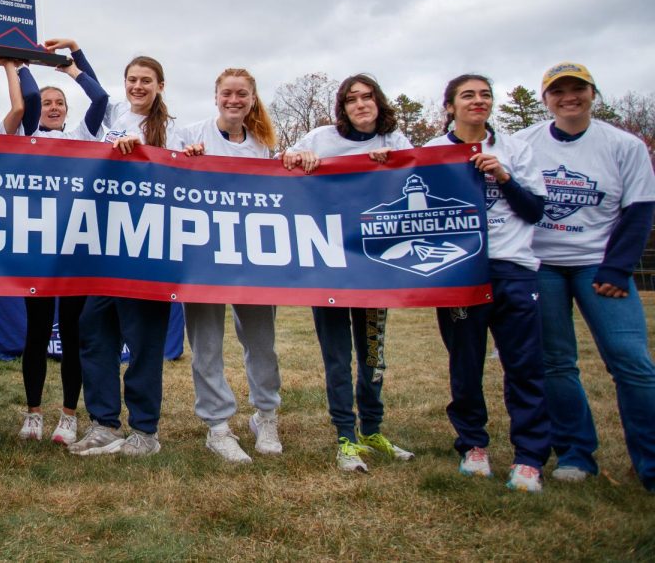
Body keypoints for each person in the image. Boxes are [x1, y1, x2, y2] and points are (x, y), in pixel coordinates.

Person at [515, 62, 655, 492]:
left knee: (631, 362)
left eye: (578, 89)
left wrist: (618, 267)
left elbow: (640, 208)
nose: (568, 97)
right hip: (541, 265)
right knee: (556, 363)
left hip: (600, 263)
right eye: (558, 91)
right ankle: (575, 453)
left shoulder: (623, 145)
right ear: (546, 99)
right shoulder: (525, 143)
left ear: (594, 94)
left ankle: (649, 463)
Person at [61, 51, 196, 458]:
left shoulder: (174, 130)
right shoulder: (112, 113)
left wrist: (157, 154)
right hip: (106, 245)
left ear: (160, 86)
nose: (138, 87)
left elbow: (185, 175)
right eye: (132, 80)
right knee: (94, 332)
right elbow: (95, 95)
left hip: (148, 251)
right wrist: (76, 56)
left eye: (146, 81)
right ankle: (104, 423)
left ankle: (144, 431)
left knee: (144, 342)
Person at [423, 74, 551, 492]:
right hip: (459, 271)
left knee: (524, 365)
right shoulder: (431, 153)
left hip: (513, 267)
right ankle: (473, 446)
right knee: (465, 363)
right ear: (450, 107)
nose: (478, 101)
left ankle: (529, 457)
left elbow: (534, 211)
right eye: (467, 95)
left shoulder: (516, 149)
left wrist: (504, 177)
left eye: (485, 95)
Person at [282, 73, 415, 472]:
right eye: (352, 99)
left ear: (378, 102)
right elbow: (280, 165)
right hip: (329, 265)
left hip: (375, 267)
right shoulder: (322, 137)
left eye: (368, 97)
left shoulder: (396, 141)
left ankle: (373, 428)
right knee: (338, 356)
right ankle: (345, 436)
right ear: (343, 107)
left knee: (373, 353)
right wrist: (295, 159)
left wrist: (394, 167)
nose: (361, 105)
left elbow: (419, 178)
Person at [179, 68, 283, 463]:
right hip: (203, 257)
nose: (234, 100)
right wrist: (183, 161)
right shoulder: (192, 135)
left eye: (242, 94)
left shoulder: (262, 145)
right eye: (227, 93)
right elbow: (164, 174)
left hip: (250, 258)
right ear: (216, 96)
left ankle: (266, 414)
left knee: (261, 342)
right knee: (206, 344)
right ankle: (217, 426)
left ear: (252, 98)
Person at [15, 44, 109, 444]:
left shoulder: (83, 134)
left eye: (59, 102)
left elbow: (101, 97)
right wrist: (19, 63)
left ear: (68, 109)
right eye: (48, 102)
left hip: (77, 249)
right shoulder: (29, 133)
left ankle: (69, 415)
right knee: (36, 332)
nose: (51, 107)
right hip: (38, 247)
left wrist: (74, 61)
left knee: (72, 333)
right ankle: (34, 412)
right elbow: (31, 98)